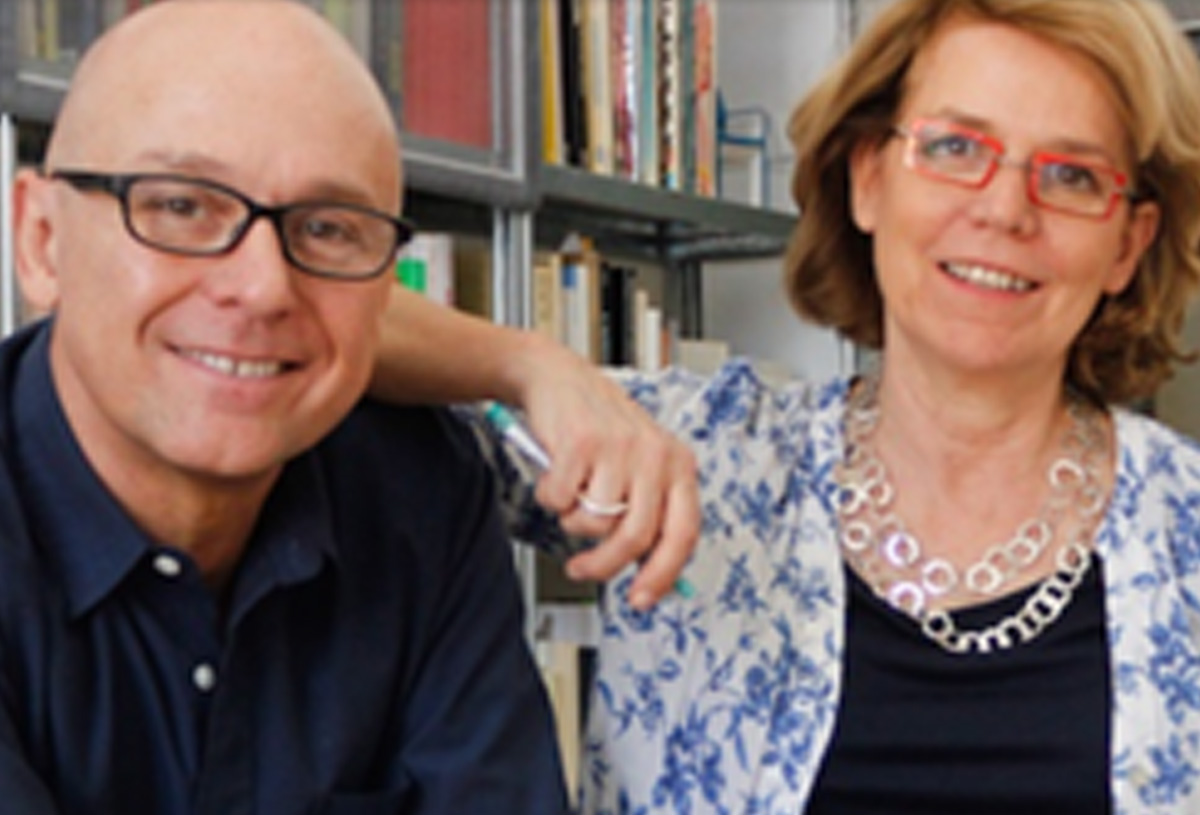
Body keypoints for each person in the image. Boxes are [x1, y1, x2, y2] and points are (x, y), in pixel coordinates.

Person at [369, 0, 1200, 811]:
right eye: (954, 146)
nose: (1005, 210)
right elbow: (323, 324)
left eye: (1072, 175)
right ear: (868, 179)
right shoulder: (691, 453)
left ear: (1128, 244)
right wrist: (529, 365)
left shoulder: (1185, 528)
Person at [0, 1, 676, 811]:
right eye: (181, 206)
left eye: (327, 228)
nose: (262, 287)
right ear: (40, 241)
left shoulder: (421, 495)